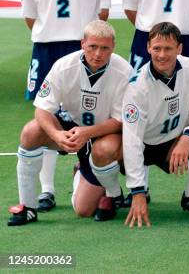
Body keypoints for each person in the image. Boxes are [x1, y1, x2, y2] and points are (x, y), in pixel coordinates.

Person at [21, 0, 111, 213]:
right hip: (46, 48)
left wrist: (83, 41)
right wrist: (51, 32)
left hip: (81, 47)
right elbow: (31, 17)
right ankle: (46, 190)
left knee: (90, 113)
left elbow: (103, 12)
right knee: (45, 116)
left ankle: (93, 177)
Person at [7, 21, 132, 226]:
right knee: (31, 131)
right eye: (92, 46)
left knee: (84, 210)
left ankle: (99, 180)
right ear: (83, 43)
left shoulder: (124, 72)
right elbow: (42, 109)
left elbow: (121, 121)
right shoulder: (64, 65)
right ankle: (27, 207)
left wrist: (88, 133)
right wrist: (56, 135)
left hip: (104, 133)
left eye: (104, 48)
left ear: (113, 47)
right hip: (71, 126)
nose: (98, 54)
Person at [121, 22, 189, 228]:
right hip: (143, 144)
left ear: (179, 48)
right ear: (148, 48)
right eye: (156, 48)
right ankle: (113, 194)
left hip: (174, 141)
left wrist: (187, 137)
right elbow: (132, 140)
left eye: (168, 48)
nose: (162, 55)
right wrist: (138, 193)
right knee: (108, 148)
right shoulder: (137, 86)